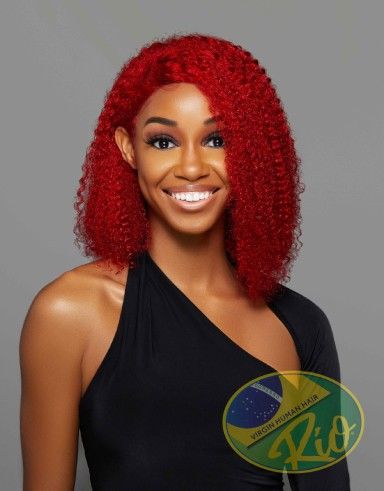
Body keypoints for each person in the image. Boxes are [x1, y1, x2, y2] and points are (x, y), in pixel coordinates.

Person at [19, 33, 350, 490]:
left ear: (249, 151)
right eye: (163, 142)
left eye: (216, 139)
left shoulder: (300, 326)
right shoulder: (69, 314)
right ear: (128, 148)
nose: (191, 167)